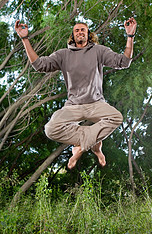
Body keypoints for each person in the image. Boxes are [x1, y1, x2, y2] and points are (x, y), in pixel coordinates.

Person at [15, 17, 137, 169]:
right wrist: (25, 39)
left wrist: (130, 37)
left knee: (116, 117)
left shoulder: (99, 51)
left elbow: (124, 62)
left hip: (96, 103)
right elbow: (39, 65)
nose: (80, 32)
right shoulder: (63, 54)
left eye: (83, 30)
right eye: (77, 30)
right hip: (73, 106)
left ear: (88, 34)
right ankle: (94, 145)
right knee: (50, 129)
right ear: (73, 35)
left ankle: (81, 147)